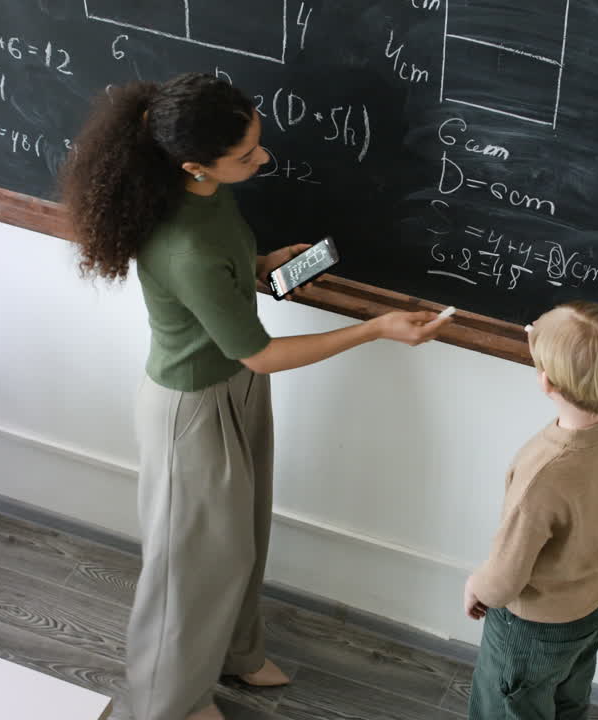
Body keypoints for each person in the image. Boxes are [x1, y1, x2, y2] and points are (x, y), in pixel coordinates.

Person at [62, 71, 451, 720]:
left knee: (241, 538)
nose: (262, 160)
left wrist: (263, 266)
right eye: (246, 156)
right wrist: (375, 329)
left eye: (256, 144)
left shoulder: (206, 195)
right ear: (194, 164)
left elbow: (228, 287)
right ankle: (168, 702)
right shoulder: (183, 241)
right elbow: (262, 350)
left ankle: (236, 656)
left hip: (236, 389)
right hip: (193, 408)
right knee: (187, 571)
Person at [463, 301, 598, 720]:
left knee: (511, 707)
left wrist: (479, 586)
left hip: (535, 627)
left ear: (546, 382)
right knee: (569, 696)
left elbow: (507, 574)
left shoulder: (542, 471)